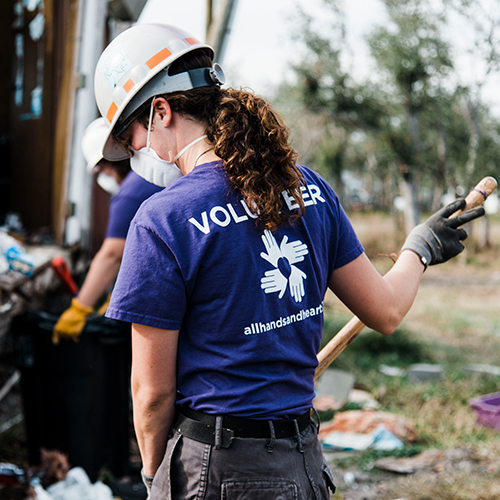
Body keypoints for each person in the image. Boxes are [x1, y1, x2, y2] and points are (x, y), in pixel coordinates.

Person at [93, 23, 485, 500]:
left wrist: (157, 476)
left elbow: (151, 394)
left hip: (215, 471)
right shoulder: (310, 189)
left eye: (133, 138)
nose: (139, 153)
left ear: (161, 110)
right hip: (302, 463)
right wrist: (419, 248)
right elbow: (385, 310)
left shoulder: (162, 220)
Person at [52, 118, 164, 344]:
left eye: (102, 168)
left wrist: (81, 308)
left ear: (112, 159)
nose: (105, 177)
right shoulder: (156, 172)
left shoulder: (131, 192)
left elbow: (112, 255)